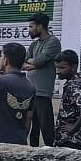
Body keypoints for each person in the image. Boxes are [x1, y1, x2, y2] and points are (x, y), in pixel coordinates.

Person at [24, 12, 60, 146]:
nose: (29, 30)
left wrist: (33, 63)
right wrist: (31, 64)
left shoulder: (53, 42)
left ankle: (51, 153)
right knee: (33, 127)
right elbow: (23, 62)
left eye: (31, 26)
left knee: (46, 127)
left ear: (40, 26)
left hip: (42, 92)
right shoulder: (34, 45)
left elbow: (40, 60)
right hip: (31, 92)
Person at [55, 50, 81, 151]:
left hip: (72, 141)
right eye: (57, 67)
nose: (58, 71)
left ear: (73, 67)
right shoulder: (76, 82)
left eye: (62, 68)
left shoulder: (74, 86)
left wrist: (72, 129)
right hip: (68, 139)